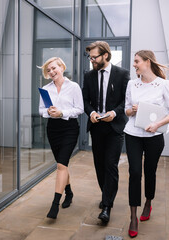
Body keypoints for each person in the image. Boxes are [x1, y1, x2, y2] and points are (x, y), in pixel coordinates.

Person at [124, 50, 169, 238]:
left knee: (149, 171)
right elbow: (126, 110)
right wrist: (131, 110)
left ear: (147, 62)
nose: (134, 64)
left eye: (137, 61)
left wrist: (157, 124)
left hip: (154, 136)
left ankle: (148, 202)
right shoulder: (132, 84)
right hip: (133, 134)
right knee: (134, 172)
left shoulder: (163, 84)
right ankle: (133, 216)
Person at [82, 41, 130, 224]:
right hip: (96, 127)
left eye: (94, 57)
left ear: (106, 56)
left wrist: (114, 113)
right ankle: (106, 194)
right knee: (99, 165)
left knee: (111, 165)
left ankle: (107, 205)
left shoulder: (122, 74)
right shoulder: (88, 76)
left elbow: (126, 101)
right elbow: (85, 100)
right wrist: (92, 112)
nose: (92, 60)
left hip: (115, 127)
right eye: (90, 57)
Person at [38, 57, 84, 219]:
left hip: (70, 128)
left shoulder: (73, 87)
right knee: (61, 165)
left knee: (61, 165)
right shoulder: (46, 88)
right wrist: (49, 113)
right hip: (53, 129)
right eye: (48, 70)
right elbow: (41, 110)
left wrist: (62, 112)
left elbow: (79, 109)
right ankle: (69, 192)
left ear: (62, 67)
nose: (51, 72)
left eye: (53, 68)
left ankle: (55, 204)